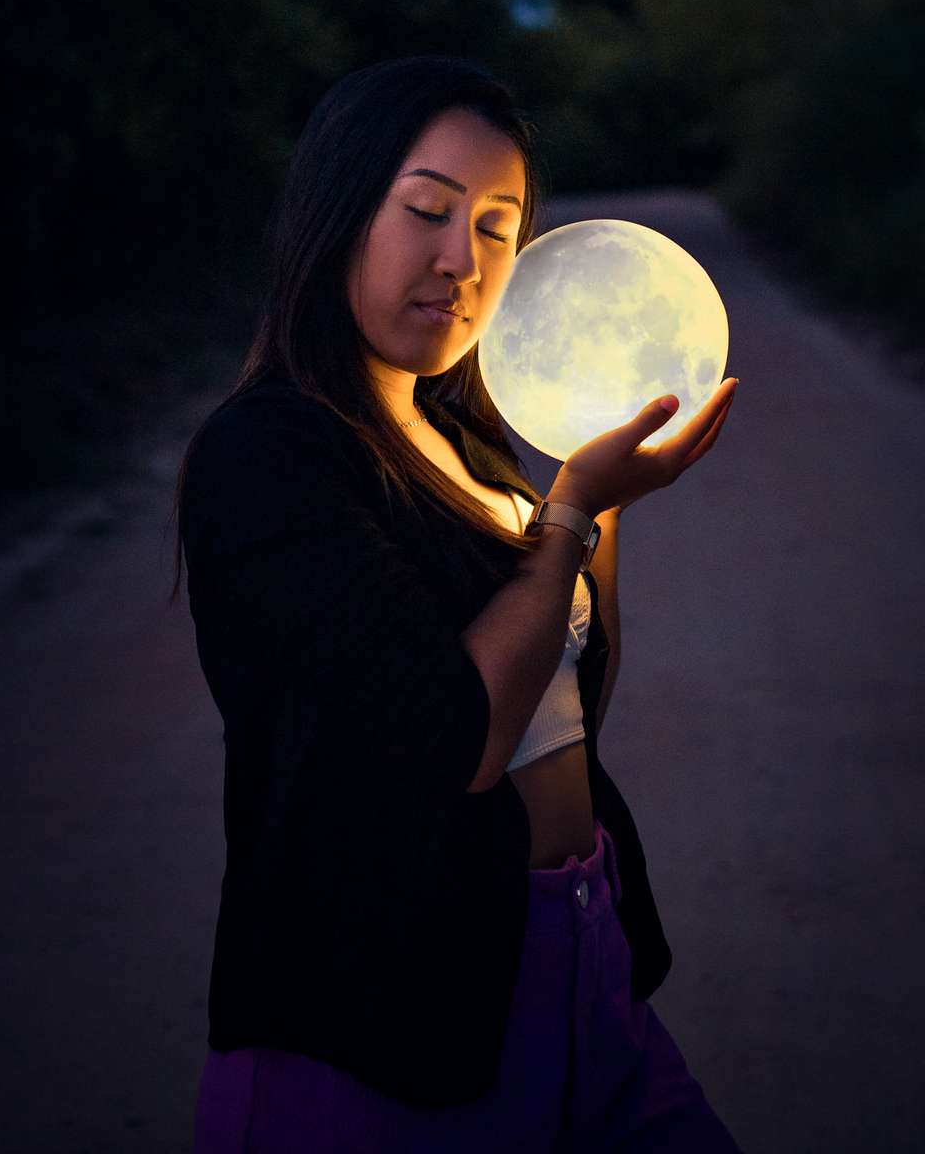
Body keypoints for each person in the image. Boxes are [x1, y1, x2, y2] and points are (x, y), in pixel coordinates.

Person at [180, 56, 742, 1153]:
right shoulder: (271, 454)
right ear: (338, 212)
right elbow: (463, 739)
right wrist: (574, 508)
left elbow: (571, 701)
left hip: (585, 964)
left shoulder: (471, 439)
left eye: (497, 226)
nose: (462, 262)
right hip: (387, 1019)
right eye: (428, 211)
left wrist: (605, 513)